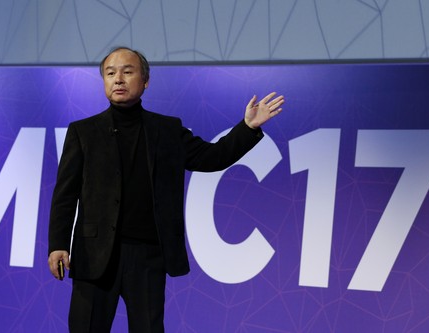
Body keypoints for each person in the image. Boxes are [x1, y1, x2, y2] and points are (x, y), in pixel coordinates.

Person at [48, 46, 284, 332]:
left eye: (127, 71)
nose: (118, 79)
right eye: (110, 73)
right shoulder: (83, 132)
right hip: (94, 256)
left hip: (148, 257)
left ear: (145, 81)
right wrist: (58, 243)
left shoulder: (168, 130)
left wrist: (247, 127)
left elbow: (212, 157)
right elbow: (65, 194)